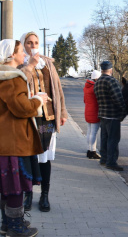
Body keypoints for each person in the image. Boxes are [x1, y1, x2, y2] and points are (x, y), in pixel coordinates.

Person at [0, 39, 48, 237]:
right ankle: (16, 227)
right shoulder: (12, 78)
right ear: (12, 55)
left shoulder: (5, 77)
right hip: (14, 143)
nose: (24, 56)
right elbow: (21, 108)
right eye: (21, 52)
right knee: (14, 188)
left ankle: (7, 224)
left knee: (7, 188)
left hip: (7, 142)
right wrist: (38, 99)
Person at [19, 31, 68, 213]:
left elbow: (58, 88)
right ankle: (28, 193)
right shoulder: (21, 63)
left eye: (35, 42)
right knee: (30, 156)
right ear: (24, 44)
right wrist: (30, 65)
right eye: (29, 42)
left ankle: (45, 195)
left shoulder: (47, 63)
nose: (33, 45)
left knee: (45, 157)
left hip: (47, 117)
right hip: (29, 117)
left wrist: (62, 112)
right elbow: (21, 82)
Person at [94, 61, 126, 171]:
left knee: (104, 138)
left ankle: (104, 159)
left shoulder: (98, 82)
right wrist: (123, 108)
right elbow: (118, 98)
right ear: (111, 70)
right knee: (113, 139)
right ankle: (111, 162)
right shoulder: (111, 81)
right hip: (113, 115)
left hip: (102, 114)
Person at [84, 70, 101, 159]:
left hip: (88, 111)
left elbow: (84, 100)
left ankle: (88, 150)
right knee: (93, 133)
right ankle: (92, 151)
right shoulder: (95, 87)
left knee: (89, 132)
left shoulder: (86, 87)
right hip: (95, 111)